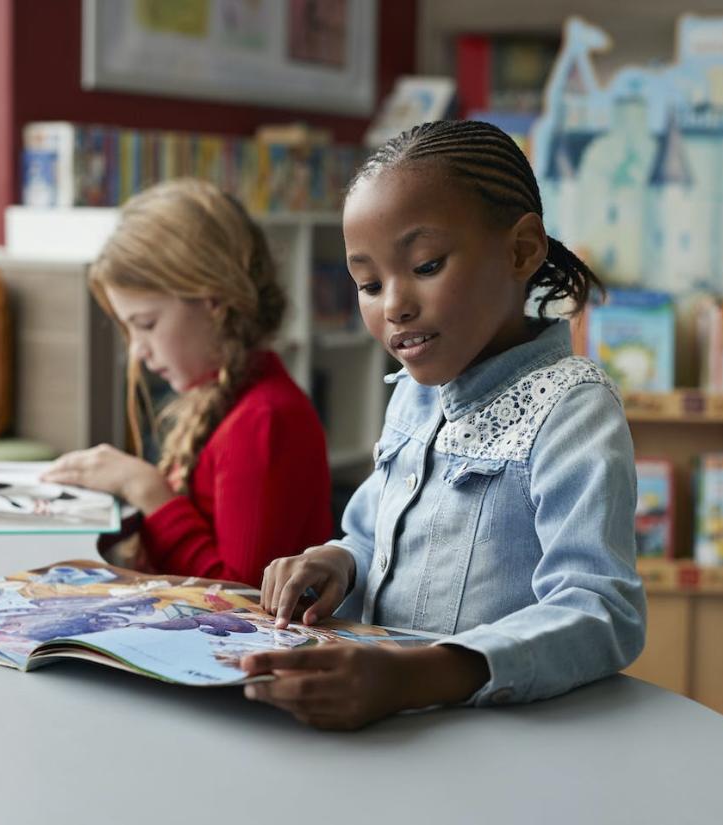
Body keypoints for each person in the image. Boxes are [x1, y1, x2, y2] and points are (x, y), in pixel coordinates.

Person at [240, 120, 646, 729]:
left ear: (521, 250)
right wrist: (335, 561)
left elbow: (600, 611)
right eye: (369, 284)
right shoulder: (413, 393)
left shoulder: (572, 409)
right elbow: (371, 539)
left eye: (426, 265)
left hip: (492, 736)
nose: (394, 306)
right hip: (386, 721)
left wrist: (419, 676)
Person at [42, 179, 332, 587]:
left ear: (213, 302)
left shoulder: (263, 419)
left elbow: (242, 598)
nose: (137, 351)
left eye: (146, 325)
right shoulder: (220, 397)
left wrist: (147, 490)